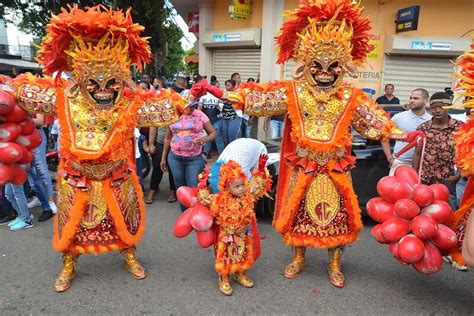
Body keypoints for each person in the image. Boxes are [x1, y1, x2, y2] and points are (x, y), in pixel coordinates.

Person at [224, 0, 423, 288]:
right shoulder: (294, 92)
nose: (325, 73)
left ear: (344, 66)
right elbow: (260, 99)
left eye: (333, 67)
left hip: (334, 169)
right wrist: (225, 94)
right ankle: (299, 257)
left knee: (338, 219)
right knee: (298, 215)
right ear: (306, 65)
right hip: (302, 166)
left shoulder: (350, 98)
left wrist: (403, 135)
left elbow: (375, 122)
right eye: (318, 66)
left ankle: (334, 263)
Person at [12, 6, 182, 292]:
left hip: (116, 177)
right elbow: (23, 94)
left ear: (120, 79)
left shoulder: (130, 103)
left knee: (124, 221)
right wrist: (12, 89)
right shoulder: (64, 99)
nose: (103, 90)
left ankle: (128, 254)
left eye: (111, 83)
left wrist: (195, 96)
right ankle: (69, 263)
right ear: (81, 79)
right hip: (77, 178)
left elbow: (168, 108)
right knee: (72, 226)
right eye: (95, 83)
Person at [197, 157, 271, 296]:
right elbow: (204, 198)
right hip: (226, 236)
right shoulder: (220, 200)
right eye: (237, 186)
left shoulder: (248, 196)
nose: (242, 188)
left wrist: (261, 169)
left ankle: (240, 274)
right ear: (226, 187)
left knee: (243, 254)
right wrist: (202, 183)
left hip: (243, 234)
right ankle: (224, 277)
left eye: (242, 184)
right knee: (225, 256)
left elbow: (258, 186)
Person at [161, 92, 216, 212]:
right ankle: (185, 213)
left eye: (192, 105)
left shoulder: (200, 115)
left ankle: (196, 212)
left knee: (193, 186)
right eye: (187, 106)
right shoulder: (173, 115)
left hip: (194, 159)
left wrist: (204, 139)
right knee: (180, 187)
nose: (190, 108)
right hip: (174, 157)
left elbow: (213, 132)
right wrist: (163, 157)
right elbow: (167, 138)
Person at [412, 92, 462, 208]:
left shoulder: (459, 128)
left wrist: (458, 176)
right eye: (434, 108)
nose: (437, 111)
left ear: (448, 108)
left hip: (448, 180)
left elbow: (464, 154)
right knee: (423, 212)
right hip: (425, 179)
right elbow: (417, 154)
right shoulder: (423, 128)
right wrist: (414, 177)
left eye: (441, 107)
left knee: (448, 212)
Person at [381, 88, 431, 175]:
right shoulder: (399, 117)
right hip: (400, 163)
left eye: (416, 98)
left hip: (423, 165)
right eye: (411, 98)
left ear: (425, 100)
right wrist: (390, 158)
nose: (411, 100)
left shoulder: (431, 119)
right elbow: (384, 136)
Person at [26, 113, 58, 222]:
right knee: (30, 172)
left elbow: (39, 122)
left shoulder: (35, 99)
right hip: (23, 137)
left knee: (41, 171)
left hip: (36, 136)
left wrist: (21, 118)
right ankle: (39, 198)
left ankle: (51, 202)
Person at [145, 126, 177, 204]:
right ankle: (152, 189)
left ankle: (172, 190)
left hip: (176, 142)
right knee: (157, 165)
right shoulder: (157, 113)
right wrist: (151, 143)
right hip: (160, 141)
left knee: (173, 167)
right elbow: (153, 126)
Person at [199, 90, 225, 157]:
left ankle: (205, 154)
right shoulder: (218, 97)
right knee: (218, 138)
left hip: (208, 120)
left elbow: (199, 110)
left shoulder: (203, 98)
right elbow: (222, 108)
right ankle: (222, 157)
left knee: (210, 137)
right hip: (217, 119)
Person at [221, 80, 242, 145]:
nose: (226, 87)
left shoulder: (236, 95)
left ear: (233, 87)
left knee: (232, 139)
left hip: (234, 118)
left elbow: (237, 108)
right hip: (225, 118)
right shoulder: (224, 93)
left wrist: (230, 100)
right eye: (226, 85)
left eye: (228, 85)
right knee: (225, 139)